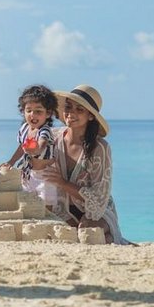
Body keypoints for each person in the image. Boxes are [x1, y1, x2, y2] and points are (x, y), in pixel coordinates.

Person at [41, 84, 128, 244]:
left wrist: (62, 183)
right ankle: (112, 240)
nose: (71, 113)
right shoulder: (52, 138)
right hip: (61, 210)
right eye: (68, 107)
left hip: (97, 212)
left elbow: (98, 199)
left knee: (87, 231)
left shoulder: (100, 148)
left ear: (91, 116)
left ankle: (113, 237)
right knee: (62, 234)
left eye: (79, 109)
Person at [0, 85, 58, 206]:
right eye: (29, 110)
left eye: (38, 111)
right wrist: (11, 161)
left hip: (45, 177)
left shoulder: (44, 130)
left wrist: (36, 150)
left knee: (46, 208)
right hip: (28, 174)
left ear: (48, 113)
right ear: (23, 112)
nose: (32, 115)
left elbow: (42, 144)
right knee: (27, 206)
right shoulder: (25, 128)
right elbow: (21, 147)